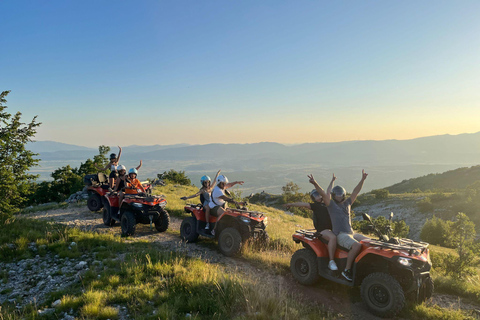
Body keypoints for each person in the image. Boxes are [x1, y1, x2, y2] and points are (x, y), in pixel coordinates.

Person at [308, 170, 369, 281]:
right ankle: (347, 270)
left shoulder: (348, 203)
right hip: (340, 234)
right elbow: (322, 192)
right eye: (337, 194)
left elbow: (356, 191)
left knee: (370, 242)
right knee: (357, 246)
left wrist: (362, 179)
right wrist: (314, 183)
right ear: (333, 195)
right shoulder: (331, 205)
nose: (339, 196)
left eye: (341, 194)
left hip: (351, 233)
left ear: (344, 195)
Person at [283, 174, 338, 271]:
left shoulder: (327, 203)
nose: (319, 196)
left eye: (319, 194)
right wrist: (291, 204)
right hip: (323, 230)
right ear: (313, 198)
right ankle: (331, 261)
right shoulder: (315, 206)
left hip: (333, 229)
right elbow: (303, 204)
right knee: (333, 238)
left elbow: (328, 191)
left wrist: (332, 180)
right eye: (316, 196)